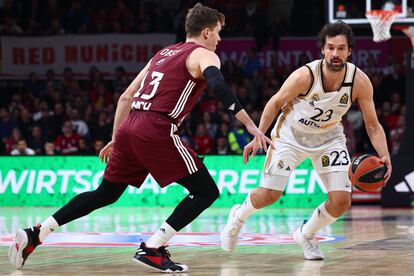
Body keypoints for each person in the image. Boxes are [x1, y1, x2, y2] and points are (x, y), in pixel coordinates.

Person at [9, 3, 272, 273]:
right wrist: (251, 125)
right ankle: (153, 248)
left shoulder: (161, 54)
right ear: (206, 32)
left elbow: (125, 97)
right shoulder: (203, 55)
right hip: (156, 128)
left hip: (130, 126)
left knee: (105, 193)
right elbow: (218, 86)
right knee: (206, 191)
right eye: (218, 32)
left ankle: (36, 233)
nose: (219, 39)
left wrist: (116, 138)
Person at [220, 21, 392, 260]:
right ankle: (237, 216)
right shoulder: (304, 75)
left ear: (349, 51)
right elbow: (275, 102)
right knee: (270, 195)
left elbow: (373, 125)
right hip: (291, 136)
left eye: (341, 48)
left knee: (341, 202)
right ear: (322, 49)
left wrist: (385, 155)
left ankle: (306, 234)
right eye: (330, 47)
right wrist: (260, 133)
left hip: (330, 138)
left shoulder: (359, 81)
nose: (335, 53)